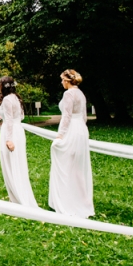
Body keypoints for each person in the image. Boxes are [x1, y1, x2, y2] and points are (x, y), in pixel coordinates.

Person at [48, 70, 94, 218]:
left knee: (66, 164)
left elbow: (66, 116)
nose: (61, 82)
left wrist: (60, 136)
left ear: (67, 80)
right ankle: (80, 199)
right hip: (81, 128)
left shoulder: (68, 94)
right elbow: (84, 116)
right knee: (78, 166)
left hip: (72, 129)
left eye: (62, 80)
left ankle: (68, 201)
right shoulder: (81, 93)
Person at [0, 76, 38, 207]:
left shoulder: (8, 100)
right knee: (18, 162)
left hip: (11, 132)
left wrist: (8, 139)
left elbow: (9, 120)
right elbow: (21, 116)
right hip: (18, 130)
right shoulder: (16, 98)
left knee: (10, 163)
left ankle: (17, 197)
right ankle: (16, 195)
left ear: (3, 86)